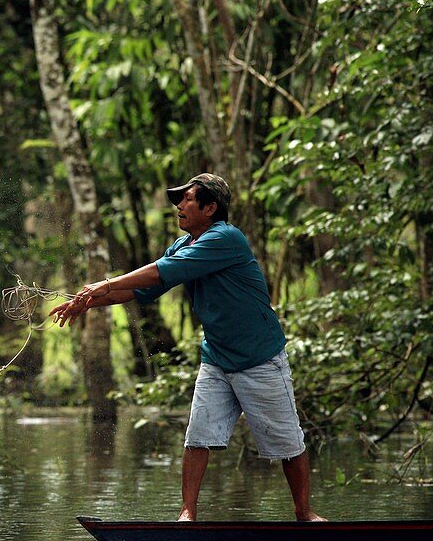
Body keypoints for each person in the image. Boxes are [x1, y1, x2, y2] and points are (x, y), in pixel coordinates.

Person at [50, 173, 325, 522]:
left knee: (287, 442)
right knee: (198, 436)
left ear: (210, 208)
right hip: (217, 358)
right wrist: (88, 302)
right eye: (179, 201)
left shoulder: (225, 238)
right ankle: (187, 514)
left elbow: (158, 273)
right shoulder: (184, 246)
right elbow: (142, 289)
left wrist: (102, 285)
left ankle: (305, 514)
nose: (179, 206)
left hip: (259, 358)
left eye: (188, 200)